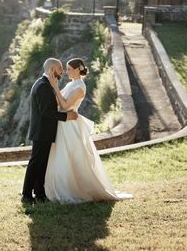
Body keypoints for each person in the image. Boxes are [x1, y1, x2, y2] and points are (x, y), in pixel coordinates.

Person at [45, 58, 133, 203]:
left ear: (77, 70)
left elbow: (66, 106)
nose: (66, 72)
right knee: (60, 154)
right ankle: (56, 186)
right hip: (63, 123)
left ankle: (73, 188)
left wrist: (55, 87)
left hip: (70, 125)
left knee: (72, 155)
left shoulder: (80, 87)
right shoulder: (71, 84)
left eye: (69, 69)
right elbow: (57, 101)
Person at [22, 58, 79, 205]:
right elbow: (46, 112)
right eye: (60, 68)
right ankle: (26, 195)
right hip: (41, 132)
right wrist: (66, 116)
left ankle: (39, 194)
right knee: (35, 163)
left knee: (42, 164)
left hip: (45, 131)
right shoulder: (43, 86)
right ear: (52, 69)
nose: (62, 72)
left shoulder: (46, 84)